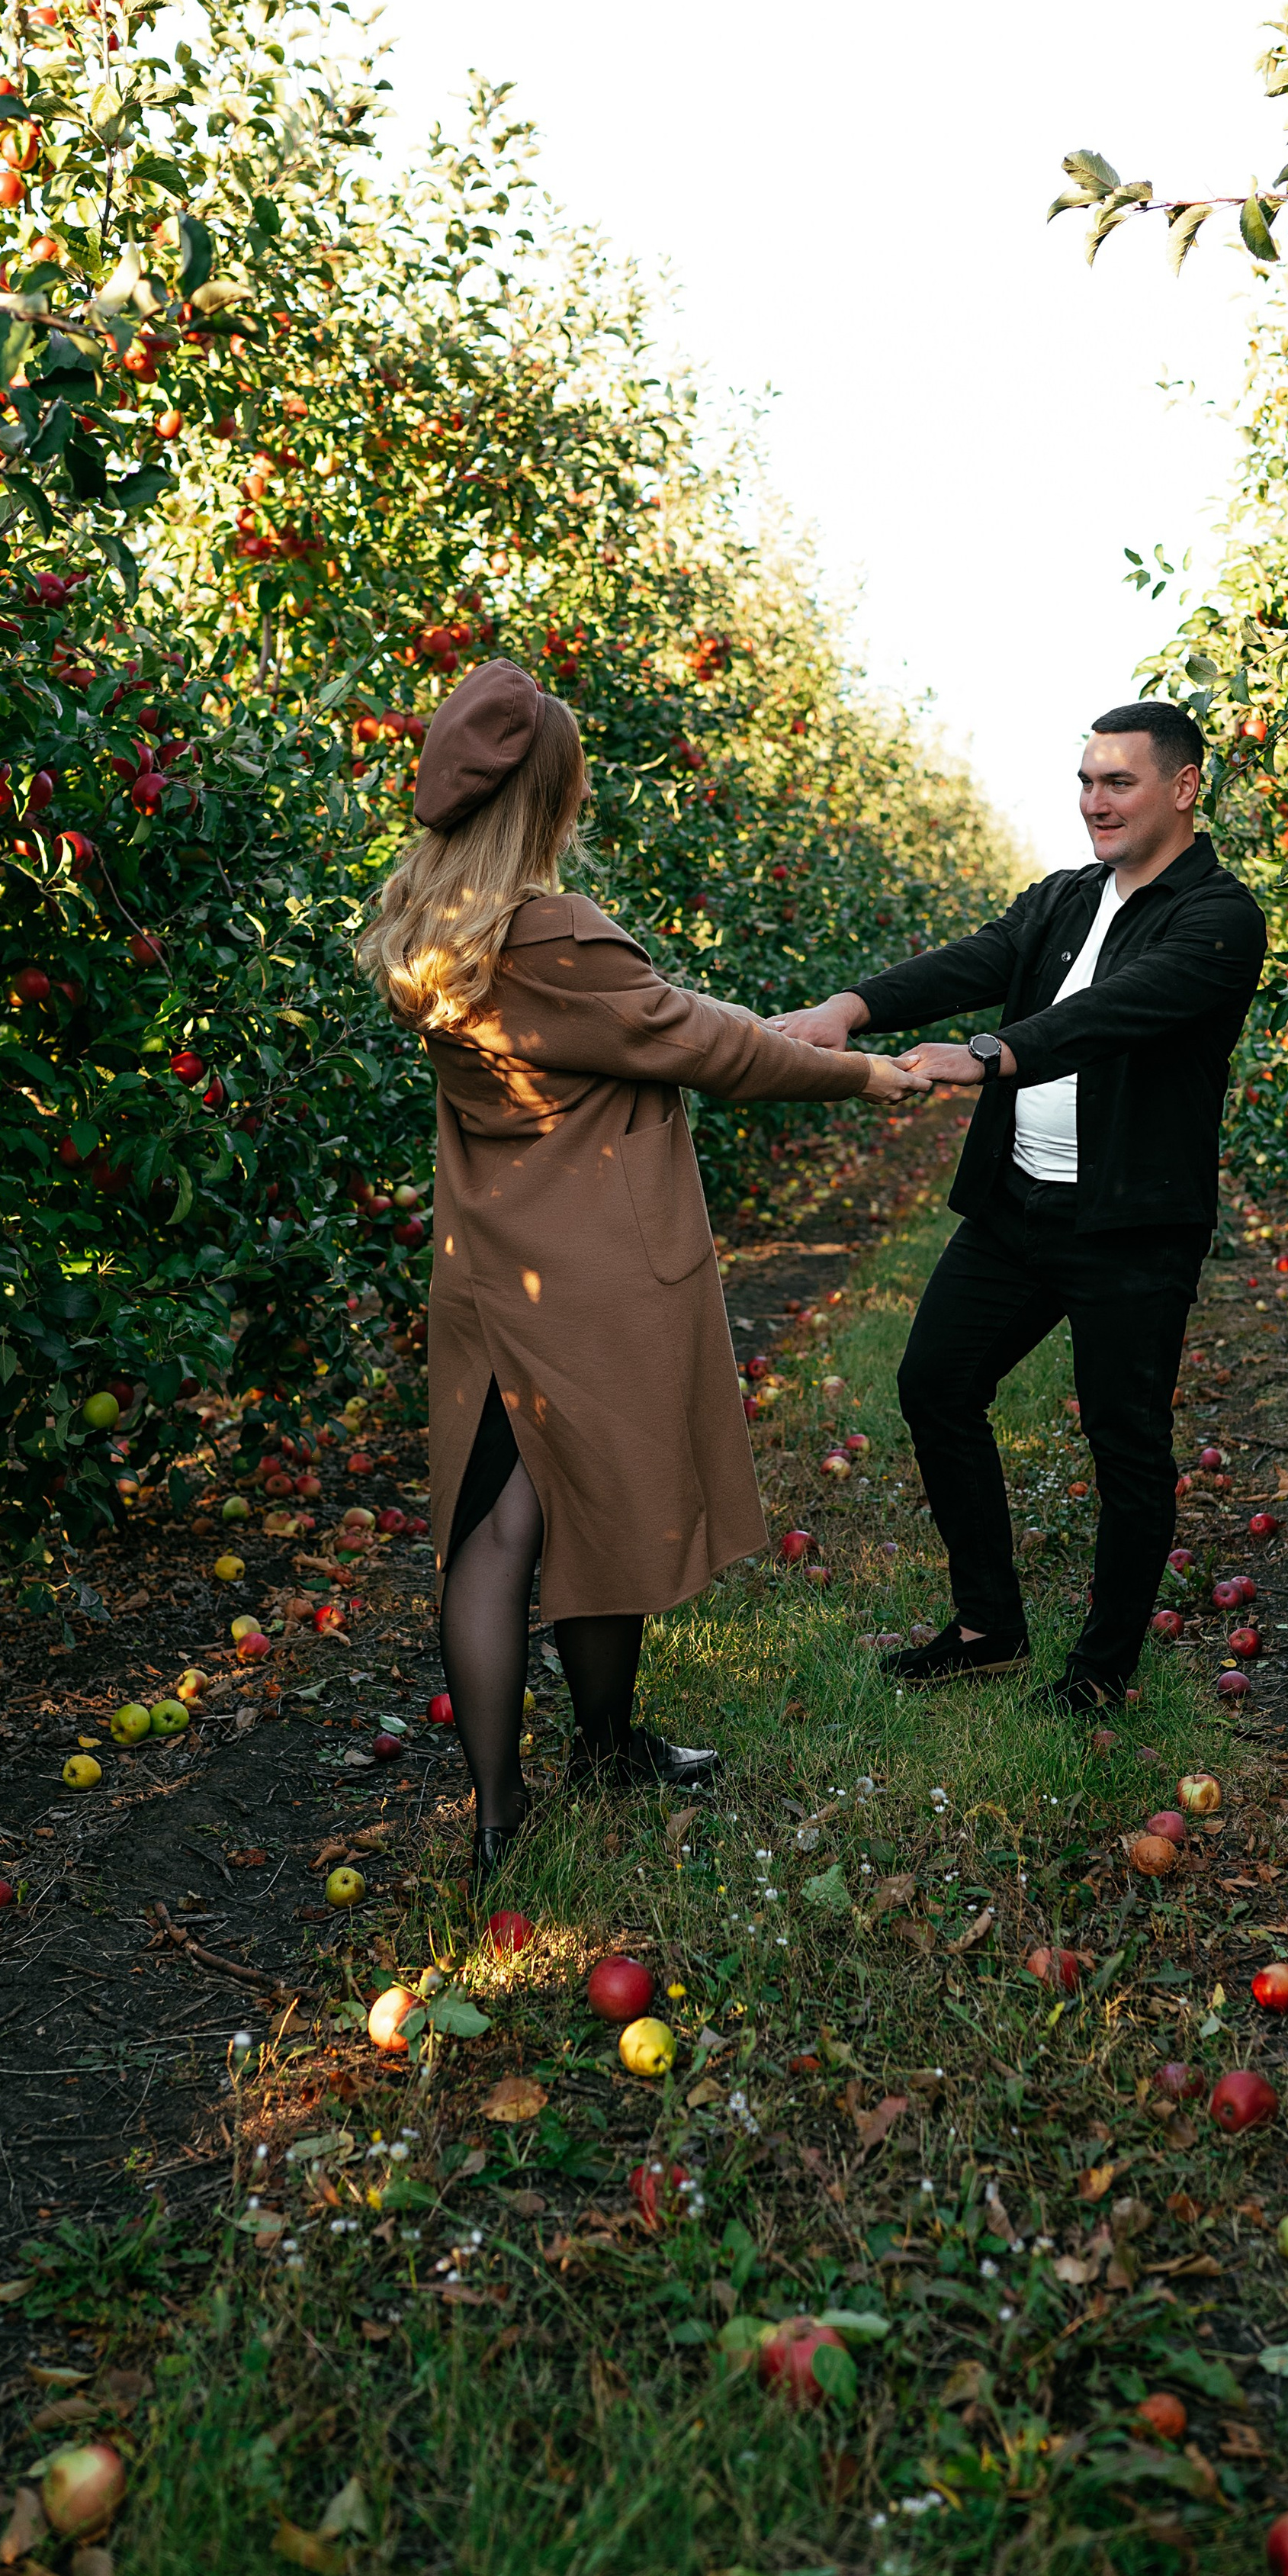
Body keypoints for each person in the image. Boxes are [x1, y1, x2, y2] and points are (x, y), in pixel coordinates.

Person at [354, 657, 924, 1872]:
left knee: (494, 1526)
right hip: (591, 1266)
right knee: (595, 1505)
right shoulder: (549, 930)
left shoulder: (428, 924)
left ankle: (509, 1809)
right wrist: (866, 1070)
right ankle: (588, 1759)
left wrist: (749, 1029)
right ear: (550, 800)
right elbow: (693, 1040)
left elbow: (651, 1023)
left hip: (488, 1262)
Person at [772, 702, 1265, 1713]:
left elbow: (1115, 1014)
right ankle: (988, 1623)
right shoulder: (1064, 899)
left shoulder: (1219, 916)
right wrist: (849, 1009)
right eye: (1085, 781)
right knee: (935, 1384)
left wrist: (992, 1054)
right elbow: (974, 960)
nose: (1094, 801)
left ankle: (1100, 1672)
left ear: (1183, 788)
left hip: (1131, 1226)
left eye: (1118, 782)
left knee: (1127, 1445)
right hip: (1019, 1207)